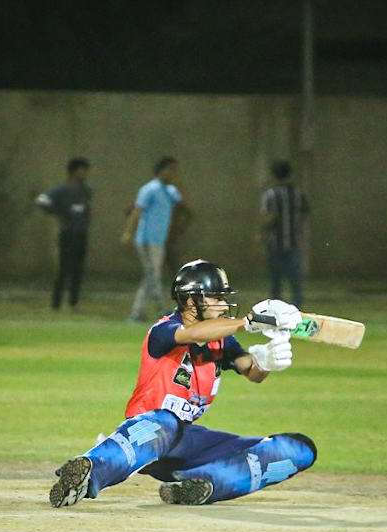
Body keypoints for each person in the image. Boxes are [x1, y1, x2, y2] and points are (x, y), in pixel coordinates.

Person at [49, 259, 317, 507]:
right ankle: (87, 473)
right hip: (149, 437)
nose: (224, 306)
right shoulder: (163, 330)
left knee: (298, 449)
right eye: (217, 298)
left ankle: (200, 484)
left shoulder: (221, 339)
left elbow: (250, 370)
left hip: (187, 444)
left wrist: (267, 361)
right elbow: (192, 334)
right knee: (167, 421)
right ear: (191, 301)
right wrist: (246, 323)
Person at [121, 156, 189, 322]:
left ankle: (156, 310)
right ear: (160, 171)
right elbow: (137, 210)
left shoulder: (170, 191)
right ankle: (140, 312)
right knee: (152, 275)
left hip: (159, 240)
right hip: (146, 239)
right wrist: (128, 232)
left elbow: (183, 206)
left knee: (153, 275)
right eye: (170, 169)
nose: (173, 173)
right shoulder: (149, 189)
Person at [35, 157, 93, 310]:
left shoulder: (85, 191)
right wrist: (58, 214)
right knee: (64, 268)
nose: (84, 174)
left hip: (81, 233)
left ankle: (74, 302)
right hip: (68, 234)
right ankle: (56, 303)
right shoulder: (61, 190)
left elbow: (85, 209)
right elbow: (41, 201)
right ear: (73, 172)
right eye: (81, 170)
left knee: (78, 269)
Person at [259, 160, 310, 308]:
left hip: (275, 242)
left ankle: (276, 307)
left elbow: (269, 218)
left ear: (274, 175)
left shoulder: (270, 194)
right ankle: (297, 306)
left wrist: (262, 233)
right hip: (294, 241)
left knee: (275, 278)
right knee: (295, 278)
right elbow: (305, 212)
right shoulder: (298, 194)